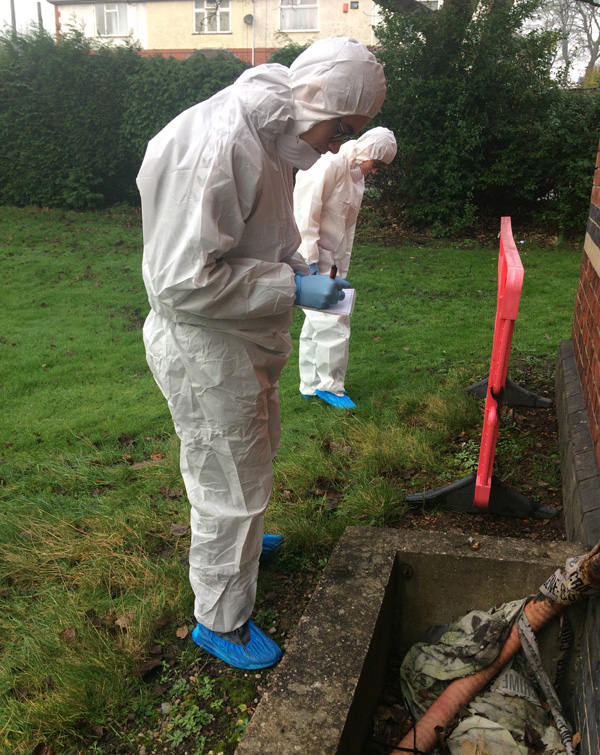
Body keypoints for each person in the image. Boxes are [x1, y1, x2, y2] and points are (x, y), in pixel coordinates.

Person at [136, 37, 386, 670]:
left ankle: (239, 550)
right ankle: (220, 618)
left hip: (240, 337)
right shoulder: (221, 146)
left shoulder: (274, 132)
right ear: (318, 100)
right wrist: (290, 287)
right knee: (227, 478)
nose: (339, 144)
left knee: (253, 451)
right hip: (205, 343)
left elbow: (266, 235)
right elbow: (181, 281)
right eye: (344, 128)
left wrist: (301, 271)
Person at [294, 126, 397, 409]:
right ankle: (331, 387)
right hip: (312, 256)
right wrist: (310, 262)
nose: (375, 171)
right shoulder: (327, 165)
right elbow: (305, 212)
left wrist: (340, 264)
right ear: (369, 152)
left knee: (315, 323)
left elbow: (345, 226)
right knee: (333, 321)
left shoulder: (355, 175)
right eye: (376, 163)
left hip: (331, 259)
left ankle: (310, 384)